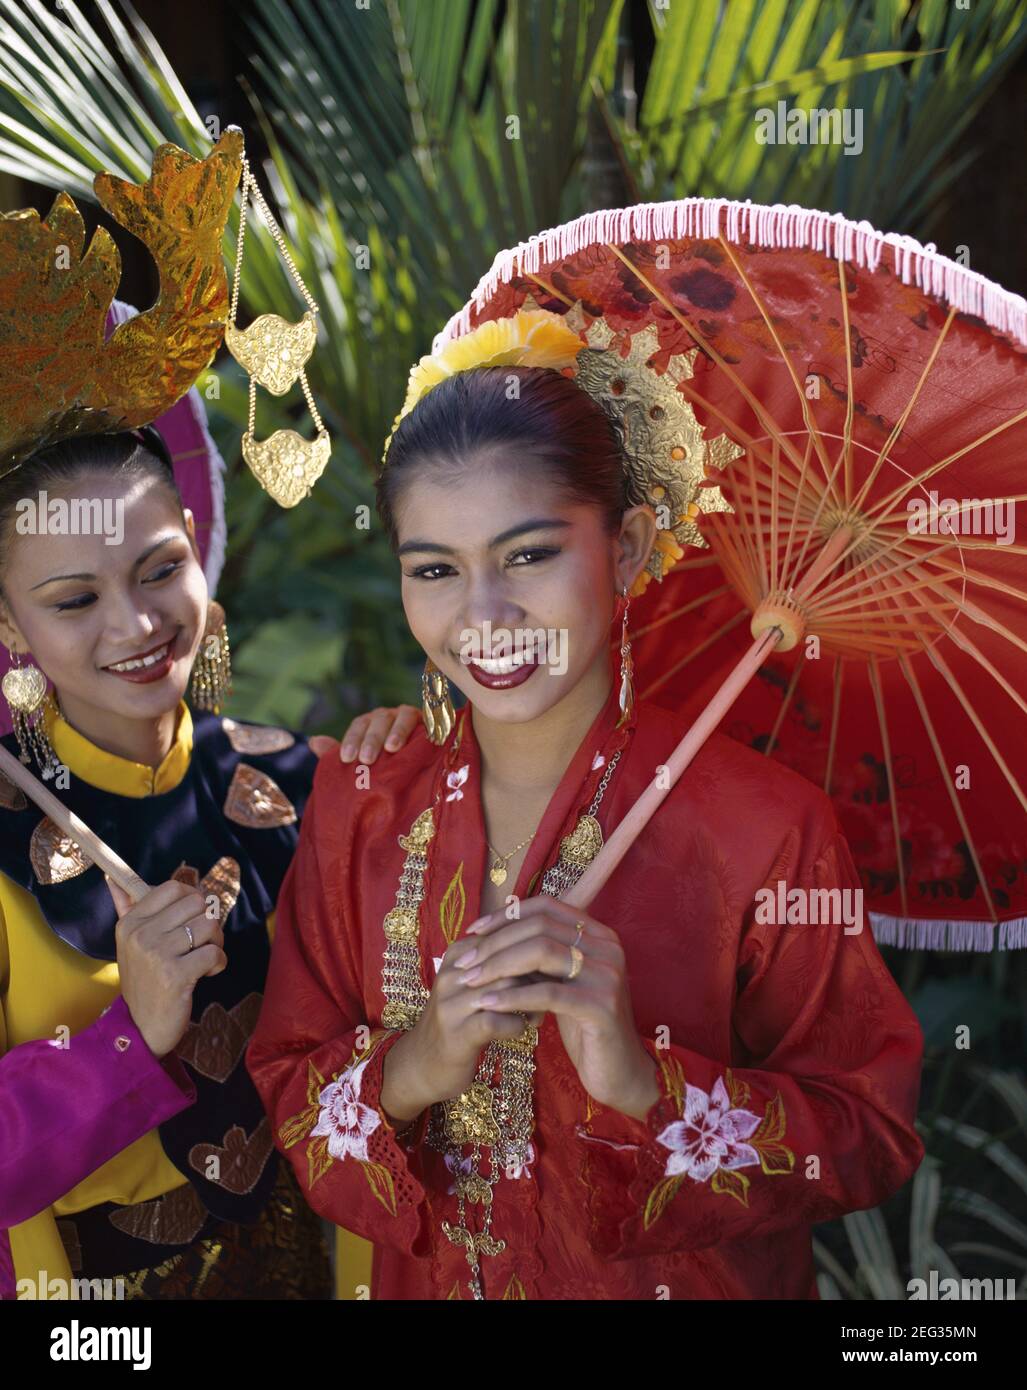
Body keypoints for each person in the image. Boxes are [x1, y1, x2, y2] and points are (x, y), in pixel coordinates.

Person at [248, 321, 926, 1300]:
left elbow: (870, 1130)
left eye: (526, 555)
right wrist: (415, 1064)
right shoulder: (360, 803)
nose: (481, 615)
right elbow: (287, 1091)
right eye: (433, 569)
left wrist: (644, 1081)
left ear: (629, 545)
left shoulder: (764, 827)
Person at [0, 429, 418, 1299]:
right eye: (74, 600)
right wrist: (132, 1034)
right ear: (8, 619)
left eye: (158, 569)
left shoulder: (303, 779)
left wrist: (414, 785)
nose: (138, 625)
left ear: (194, 536)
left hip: (314, 1257)